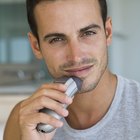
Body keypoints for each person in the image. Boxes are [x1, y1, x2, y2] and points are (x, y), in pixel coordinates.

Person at [3, 0, 140, 140]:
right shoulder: (25, 120)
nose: (76, 57)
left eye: (88, 33)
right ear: (36, 46)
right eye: (56, 39)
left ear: (108, 32)